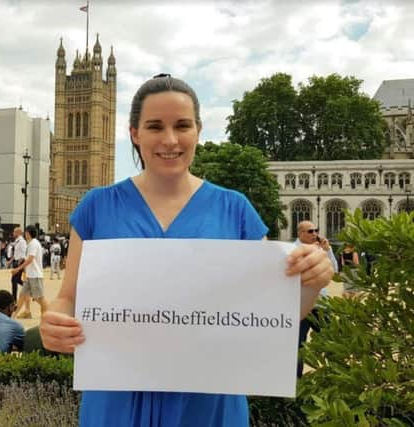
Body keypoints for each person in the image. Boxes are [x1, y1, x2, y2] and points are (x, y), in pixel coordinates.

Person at [39, 75, 334, 427]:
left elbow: (274, 316)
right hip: (117, 403)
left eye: (182, 125)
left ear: (198, 130)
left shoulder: (235, 209)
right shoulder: (96, 206)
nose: (169, 140)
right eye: (154, 126)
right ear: (134, 133)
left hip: (209, 405)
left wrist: (312, 281)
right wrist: (54, 321)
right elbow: (68, 297)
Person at [294, 220, 338, 378]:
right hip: (300, 306)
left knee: (330, 340)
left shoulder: (323, 248)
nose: (315, 234)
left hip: (321, 304)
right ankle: (296, 381)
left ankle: (335, 376)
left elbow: (335, 270)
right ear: (300, 233)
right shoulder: (291, 250)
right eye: (310, 231)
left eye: (316, 231)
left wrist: (327, 251)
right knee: (298, 345)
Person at [11, 225, 49, 319]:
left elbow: (30, 259)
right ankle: (13, 316)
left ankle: (48, 314)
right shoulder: (32, 243)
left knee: (39, 298)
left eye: (26, 232)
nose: (25, 234)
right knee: (22, 295)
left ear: (28, 233)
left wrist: (18, 269)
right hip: (30, 275)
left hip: (35, 275)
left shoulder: (33, 243)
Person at [7, 227, 27, 301]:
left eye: (14, 232)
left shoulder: (22, 241)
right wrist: (11, 261)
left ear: (18, 233)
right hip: (16, 261)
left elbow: (24, 252)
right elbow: (16, 253)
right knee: (18, 280)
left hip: (20, 262)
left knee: (14, 280)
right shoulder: (17, 241)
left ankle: (14, 299)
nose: (13, 233)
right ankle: (30, 290)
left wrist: (19, 263)